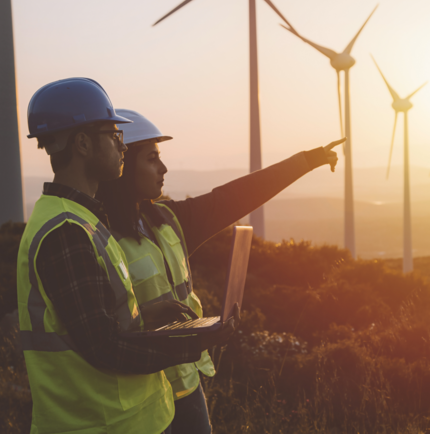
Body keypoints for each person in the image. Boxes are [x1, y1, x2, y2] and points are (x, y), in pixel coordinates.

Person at [95, 108, 345, 433]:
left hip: (185, 383)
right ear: (124, 165)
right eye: (152, 159)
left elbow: (235, 197)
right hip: (137, 395)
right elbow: (99, 330)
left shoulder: (169, 221)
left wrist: (306, 161)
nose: (163, 168)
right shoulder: (95, 235)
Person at [16, 78, 233, 434]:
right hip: (100, 424)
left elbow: (89, 324)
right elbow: (105, 348)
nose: (122, 145)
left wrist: (147, 314)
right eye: (114, 135)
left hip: (129, 421)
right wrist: (190, 345)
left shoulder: (83, 219)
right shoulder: (66, 233)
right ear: (83, 143)